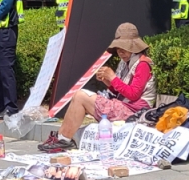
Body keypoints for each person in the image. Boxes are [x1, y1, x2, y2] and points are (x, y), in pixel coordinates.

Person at [39, 23, 157, 152]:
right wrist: (109, 83)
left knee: (80, 96)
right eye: (118, 49)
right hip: (124, 107)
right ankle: (62, 137)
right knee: (80, 96)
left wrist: (113, 78)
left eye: (124, 48)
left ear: (134, 47)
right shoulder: (125, 63)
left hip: (134, 113)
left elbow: (134, 94)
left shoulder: (143, 64)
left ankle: (63, 139)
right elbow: (121, 92)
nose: (120, 52)